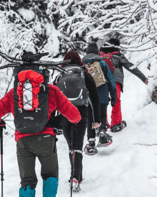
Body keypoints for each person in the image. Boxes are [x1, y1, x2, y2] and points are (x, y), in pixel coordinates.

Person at [0, 76, 81, 197]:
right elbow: (75, 116)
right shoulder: (51, 91)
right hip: (46, 140)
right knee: (50, 176)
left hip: (23, 140)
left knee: (27, 181)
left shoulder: (14, 93)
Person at [56, 50, 101, 192]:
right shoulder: (84, 74)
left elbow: (52, 98)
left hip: (65, 112)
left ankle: (74, 176)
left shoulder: (59, 75)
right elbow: (95, 97)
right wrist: (97, 120)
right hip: (82, 111)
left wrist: (52, 121)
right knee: (78, 144)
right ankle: (77, 177)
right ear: (79, 60)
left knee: (71, 146)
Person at [100, 38, 148, 132]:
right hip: (115, 80)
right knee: (116, 101)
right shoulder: (118, 55)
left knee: (103, 102)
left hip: (102, 80)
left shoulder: (100, 55)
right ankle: (116, 124)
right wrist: (143, 78)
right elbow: (131, 67)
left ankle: (103, 124)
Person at [82, 42, 117, 151]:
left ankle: (91, 143)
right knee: (102, 115)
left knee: (90, 118)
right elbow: (111, 81)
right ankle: (102, 134)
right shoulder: (102, 63)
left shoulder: (82, 64)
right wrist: (114, 96)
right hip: (102, 95)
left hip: (88, 97)